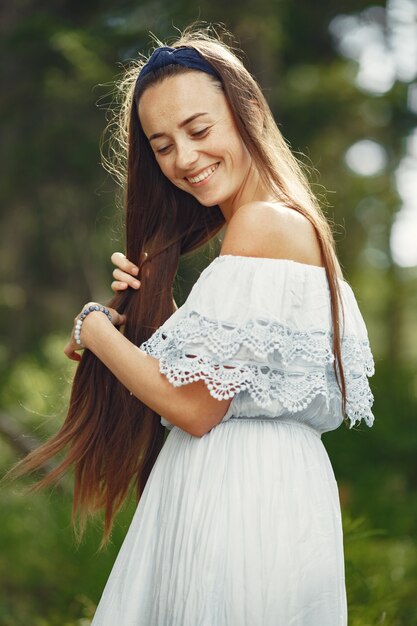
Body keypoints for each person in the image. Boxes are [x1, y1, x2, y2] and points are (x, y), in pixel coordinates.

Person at [11, 25, 375, 626]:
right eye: (162, 144)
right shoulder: (282, 223)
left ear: (248, 110)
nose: (184, 158)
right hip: (262, 493)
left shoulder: (261, 223)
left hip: (240, 502)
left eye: (199, 130)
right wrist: (152, 314)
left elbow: (196, 407)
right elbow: (226, 381)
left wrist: (95, 328)